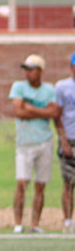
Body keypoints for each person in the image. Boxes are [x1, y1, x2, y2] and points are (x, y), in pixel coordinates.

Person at [9, 54, 61, 234]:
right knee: (22, 183)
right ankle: (18, 223)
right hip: (25, 143)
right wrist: (42, 111)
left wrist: (30, 108)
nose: (27, 74)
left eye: (31, 70)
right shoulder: (18, 87)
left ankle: (34, 224)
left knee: (41, 185)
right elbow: (18, 111)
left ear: (40, 71)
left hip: (44, 142)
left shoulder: (49, 89)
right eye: (26, 70)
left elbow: (54, 111)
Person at [54, 52, 75, 234]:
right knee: (68, 181)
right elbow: (57, 115)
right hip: (70, 138)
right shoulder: (62, 87)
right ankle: (68, 221)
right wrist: (64, 140)